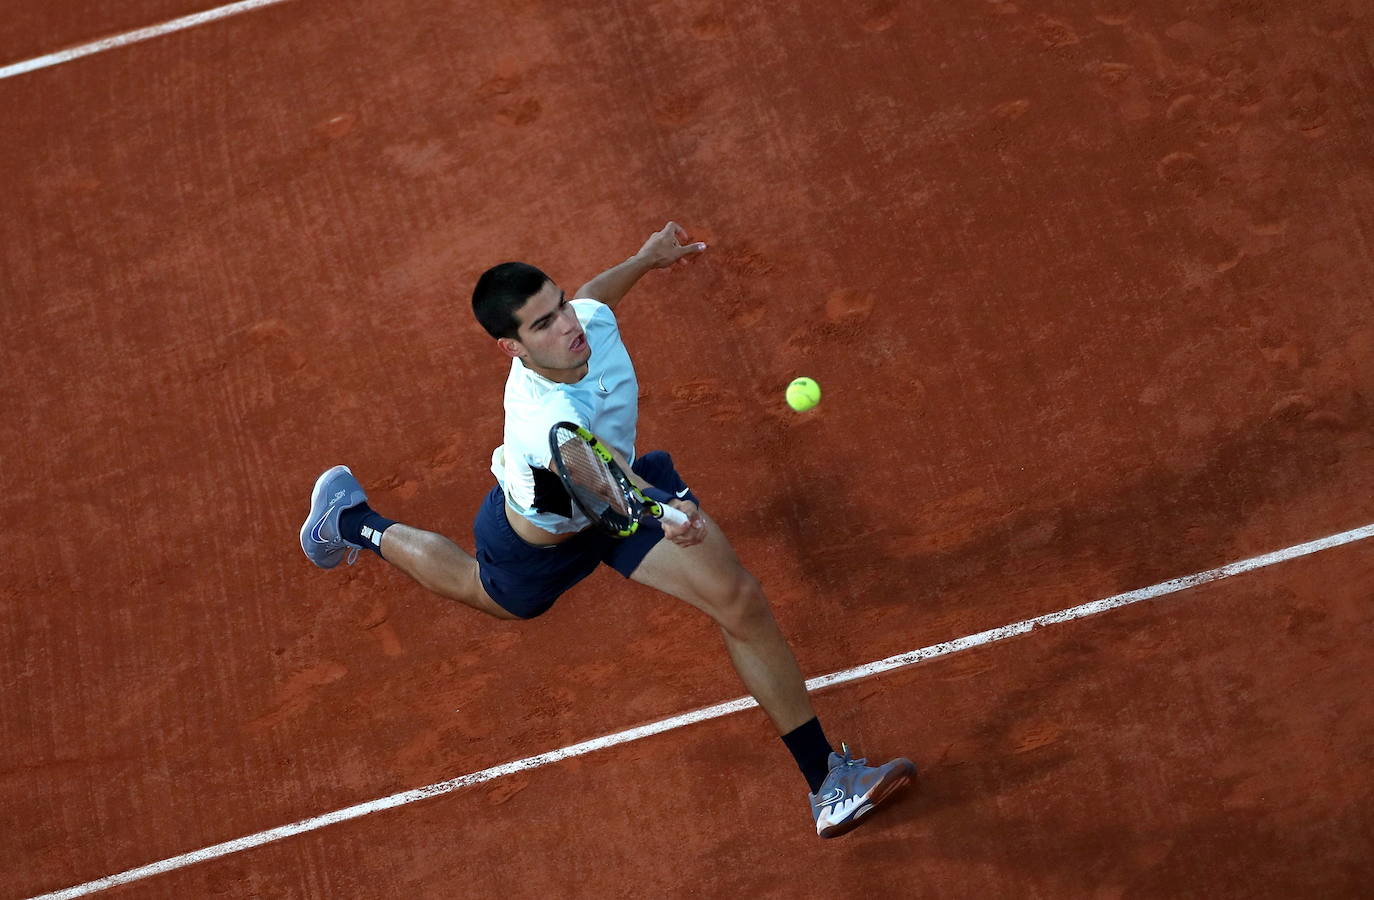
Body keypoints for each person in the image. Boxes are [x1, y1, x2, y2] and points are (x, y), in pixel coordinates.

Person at [299, 221, 914, 837]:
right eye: (542, 324)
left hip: (616, 500)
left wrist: (645, 260)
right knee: (480, 590)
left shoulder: (582, 322)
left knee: (740, 600)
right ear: (512, 349)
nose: (566, 325)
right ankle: (354, 522)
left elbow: (596, 297)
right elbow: (606, 478)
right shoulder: (547, 422)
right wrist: (668, 514)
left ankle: (826, 783)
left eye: (558, 305)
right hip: (538, 537)